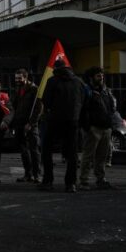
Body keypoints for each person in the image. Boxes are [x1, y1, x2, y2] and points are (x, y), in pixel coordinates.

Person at [39, 59, 86, 193]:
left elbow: (46, 101)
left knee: (47, 149)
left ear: (55, 69)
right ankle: (71, 184)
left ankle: (48, 181)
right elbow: (83, 100)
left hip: (55, 120)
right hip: (73, 121)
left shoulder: (52, 81)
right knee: (72, 153)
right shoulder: (78, 81)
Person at [79, 67, 116, 190]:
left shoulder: (106, 91)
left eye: (102, 75)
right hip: (93, 129)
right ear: (91, 78)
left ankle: (101, 179)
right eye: (98, 76)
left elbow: (112, 107)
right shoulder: (86, 91)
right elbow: (82, 110)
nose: (101, 78)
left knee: (102, 156)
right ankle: (84, 181)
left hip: (106, 128)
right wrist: (87, 126)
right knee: (88, 156)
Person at [3, 69, 42, 183]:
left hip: (30, 125)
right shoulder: (18, 89)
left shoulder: (35, 89)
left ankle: (37, 175)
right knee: (24, 150)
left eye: (19, 78)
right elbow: (14, 106)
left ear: (26, 77)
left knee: (34, 150)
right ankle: (28, 174)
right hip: (19, 124)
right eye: (16, 78)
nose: (17, 80)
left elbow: (38, 108)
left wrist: (31, 123)